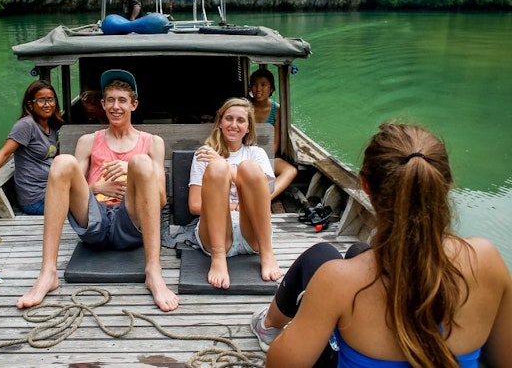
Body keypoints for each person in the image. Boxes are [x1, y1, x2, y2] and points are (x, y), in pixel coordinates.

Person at [252, 122, 512, 367]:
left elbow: (279, 364)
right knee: (358, 252)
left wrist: (317, 312)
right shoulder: (486, 259)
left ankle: (267, 325)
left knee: (322, 255)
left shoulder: (337, 282)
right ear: (444, 184)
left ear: (364, 185)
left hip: (340, 290)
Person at [16, 69, 179, 312]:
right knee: (62, 162)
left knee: (141, 163)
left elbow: (162, 200)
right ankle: (47, 273)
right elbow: (71, 189)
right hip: (95, 220)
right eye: (110, 100)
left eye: (122, 100)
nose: (116, 107)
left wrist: (130, 170)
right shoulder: (88, 141)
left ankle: (153, 272)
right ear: (102, 104)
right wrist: (98, 187)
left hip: (130, 222)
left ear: (134, 105)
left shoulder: (152, 142)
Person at [188, 97, 283, 290]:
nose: (233, 125)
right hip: (216, 231)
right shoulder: (205, 154)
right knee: (216, 168)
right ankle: (218, 258)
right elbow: (195, 205)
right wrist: (233, 204)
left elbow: (263, 197)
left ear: (248, 127)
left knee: (249, 168)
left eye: (240, 120)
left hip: (251, 229)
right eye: (228, 119)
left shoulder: (256, 153)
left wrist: (226, 167)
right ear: (220, 123)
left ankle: (267, 253)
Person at [0, 80, 63, 215]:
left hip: (52, 189)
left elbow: (56, 159)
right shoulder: (26, 125)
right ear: (30, 104)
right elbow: (4, 153)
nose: (47, 105)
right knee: (85, 201)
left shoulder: (53, 126)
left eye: (51, 100)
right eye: (41, 100)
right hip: (36, 199)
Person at [248, 68, 298, 201]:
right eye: (254, 84)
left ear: (271, 88)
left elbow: (275, 143)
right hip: (245, 154)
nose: (258, 89)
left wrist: (263, 158)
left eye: (263, 85)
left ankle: (264, 199)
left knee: (290, 171)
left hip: (266, 155)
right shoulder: (245, 107)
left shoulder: (276, 109)